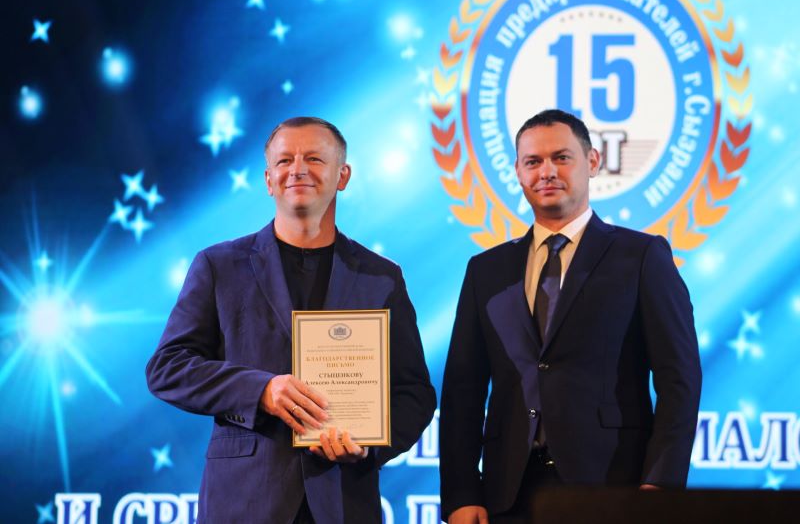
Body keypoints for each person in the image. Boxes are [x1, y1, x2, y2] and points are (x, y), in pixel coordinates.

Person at [146, 116, 436, 523]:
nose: (297, 169)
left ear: (343, 175)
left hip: (343, 502)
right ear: (268, 180)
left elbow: (414, 393)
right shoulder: (218, 266)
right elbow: (167, 367)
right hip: (245, 504)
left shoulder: (381, 277)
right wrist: (261, 390)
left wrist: (369, 445)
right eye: (284, 161)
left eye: (314, 158)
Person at [439, 109, 702, 523]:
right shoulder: (485, 270)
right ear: (518, 172)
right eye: (533, 161)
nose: (546, 172)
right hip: (508, 495)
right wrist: (461, 493)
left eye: (561, 158)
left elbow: (679, 378)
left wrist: (661, 484)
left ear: (592, 162)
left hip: (613, 489)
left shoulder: (641, 256)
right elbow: (462, 390)